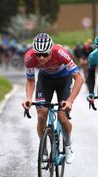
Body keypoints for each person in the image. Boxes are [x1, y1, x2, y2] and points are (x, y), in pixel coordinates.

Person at [22, 33, 84, 164]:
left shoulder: (60, 53)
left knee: (62, 117)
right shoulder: (29, 57)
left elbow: (79, 78)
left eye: (45, 54)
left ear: (51, 51)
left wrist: (70, 101)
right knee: (41, 114)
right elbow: (30, 80)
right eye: (38, 54)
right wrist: (28, 97)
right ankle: (43, 147)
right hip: (45, 81)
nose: (41, 58)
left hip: (63, 79)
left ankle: (68, 145)